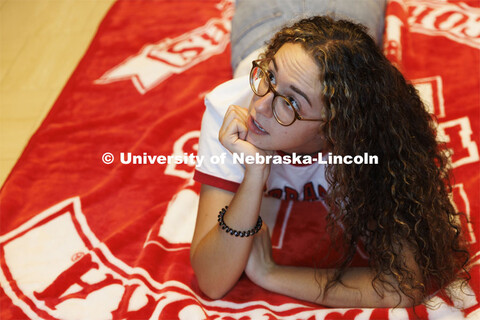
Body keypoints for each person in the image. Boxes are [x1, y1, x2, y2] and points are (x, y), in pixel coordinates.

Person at [190, 8, 470, 309]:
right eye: (269, 76)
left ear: (334, 128)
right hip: (263, 21)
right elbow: (212, 281)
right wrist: (254, 174)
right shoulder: (229, 111)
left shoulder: (370, 140)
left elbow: (403, 285)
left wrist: (271, 274)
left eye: (291, 102)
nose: (260, 107)